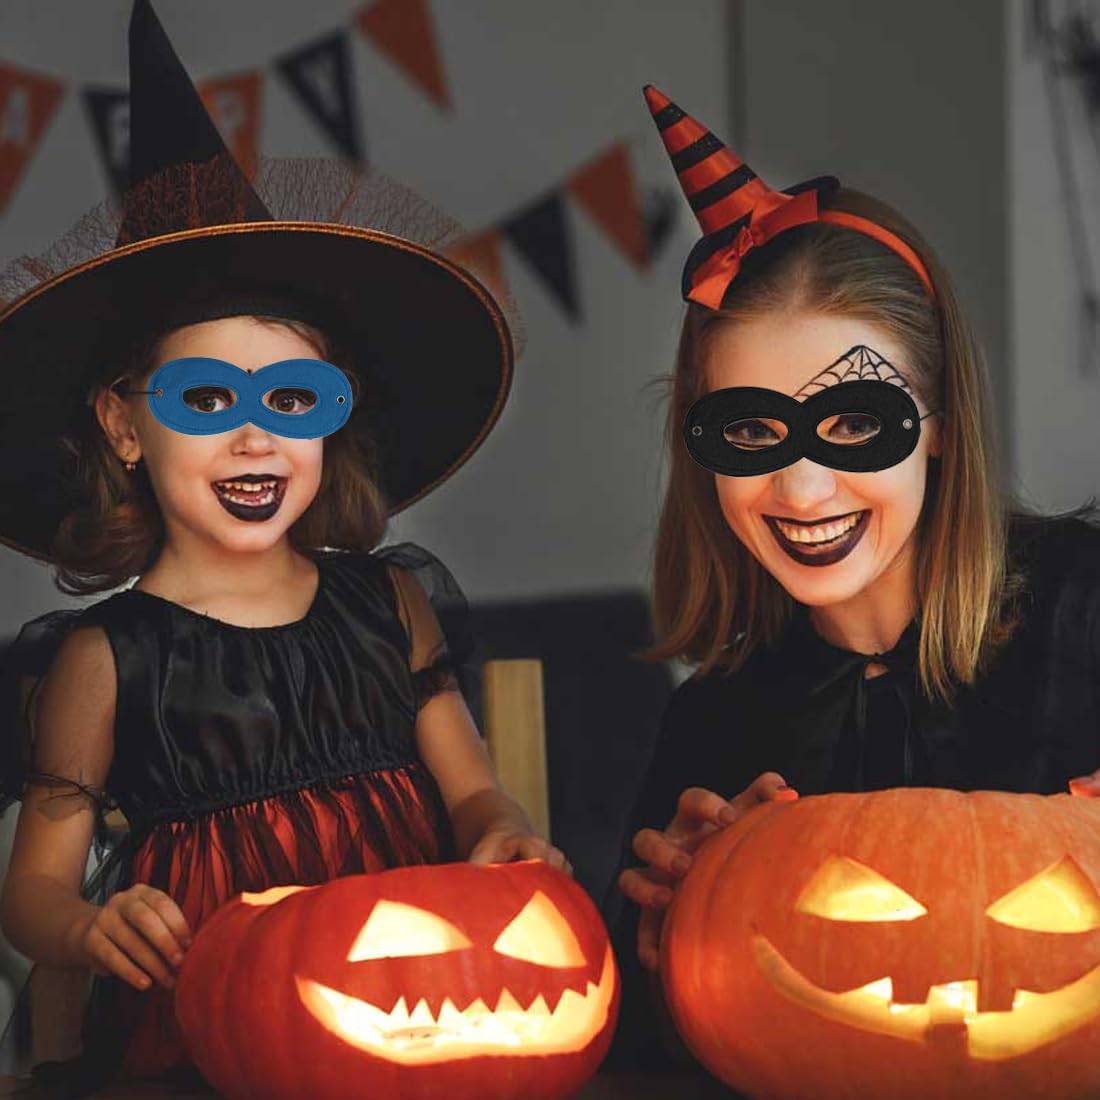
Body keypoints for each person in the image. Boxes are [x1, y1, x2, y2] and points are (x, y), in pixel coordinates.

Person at [0, 1, 563, 1088]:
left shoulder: (387, 604)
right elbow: (33, 890)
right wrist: (87, 927)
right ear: (124, 425)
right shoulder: (104, 660)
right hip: (204, 1038)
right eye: (207, 398)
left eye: (293, 397)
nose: (255, 434)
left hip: (418, 1012)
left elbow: (472, 793)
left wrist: (501, 829)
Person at [616, 85, 1100, 1010]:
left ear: (939, 423)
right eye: (750, 432)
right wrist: (674, 923)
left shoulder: (1087, 606)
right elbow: (658, 1033)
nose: (802, 491)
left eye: (854, 424)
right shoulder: (714, 724)